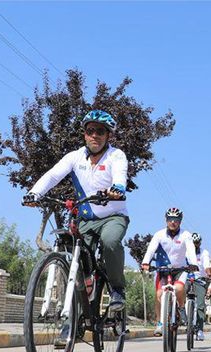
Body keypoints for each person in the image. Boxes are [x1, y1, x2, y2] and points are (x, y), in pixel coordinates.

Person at [23, 110, 129, 312]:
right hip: (86, 219)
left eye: (100, 131)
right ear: (84, 134)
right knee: (76, 261)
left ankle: (117, 289)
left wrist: (117, 188)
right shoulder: (75, 157)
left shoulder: (116, 155)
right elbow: (53, 176)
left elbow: (120, 175)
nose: (94, 135)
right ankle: (74, 317)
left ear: (108, 135)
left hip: (113, 217)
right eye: (90, 131)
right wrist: (34, 193)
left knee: (110, 241)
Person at [141, 208, 198, 336]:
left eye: (176, 220)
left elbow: (190, 250)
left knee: (178, 288)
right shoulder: (159, 234)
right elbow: (151, 249)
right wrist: (146, 262)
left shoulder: (186, 235)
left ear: (180, 221)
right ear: (166, 220)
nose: (173, 222)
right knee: (159, 294)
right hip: (162, 269)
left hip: (180, 269)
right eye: (170, 219)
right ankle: (160, 324)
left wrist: (193, 263)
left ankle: (181, 307)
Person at [189, 233, 211, 341]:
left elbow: (207, 265)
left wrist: (209, 274)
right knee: (178, 294)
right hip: (187, 278)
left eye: (197, 243)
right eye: (193, 243)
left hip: (199, 280)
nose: (195, 245)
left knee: (201, 305)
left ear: (200, 243)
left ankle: (200, 330)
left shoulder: (204, 252)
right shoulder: (186, 251)